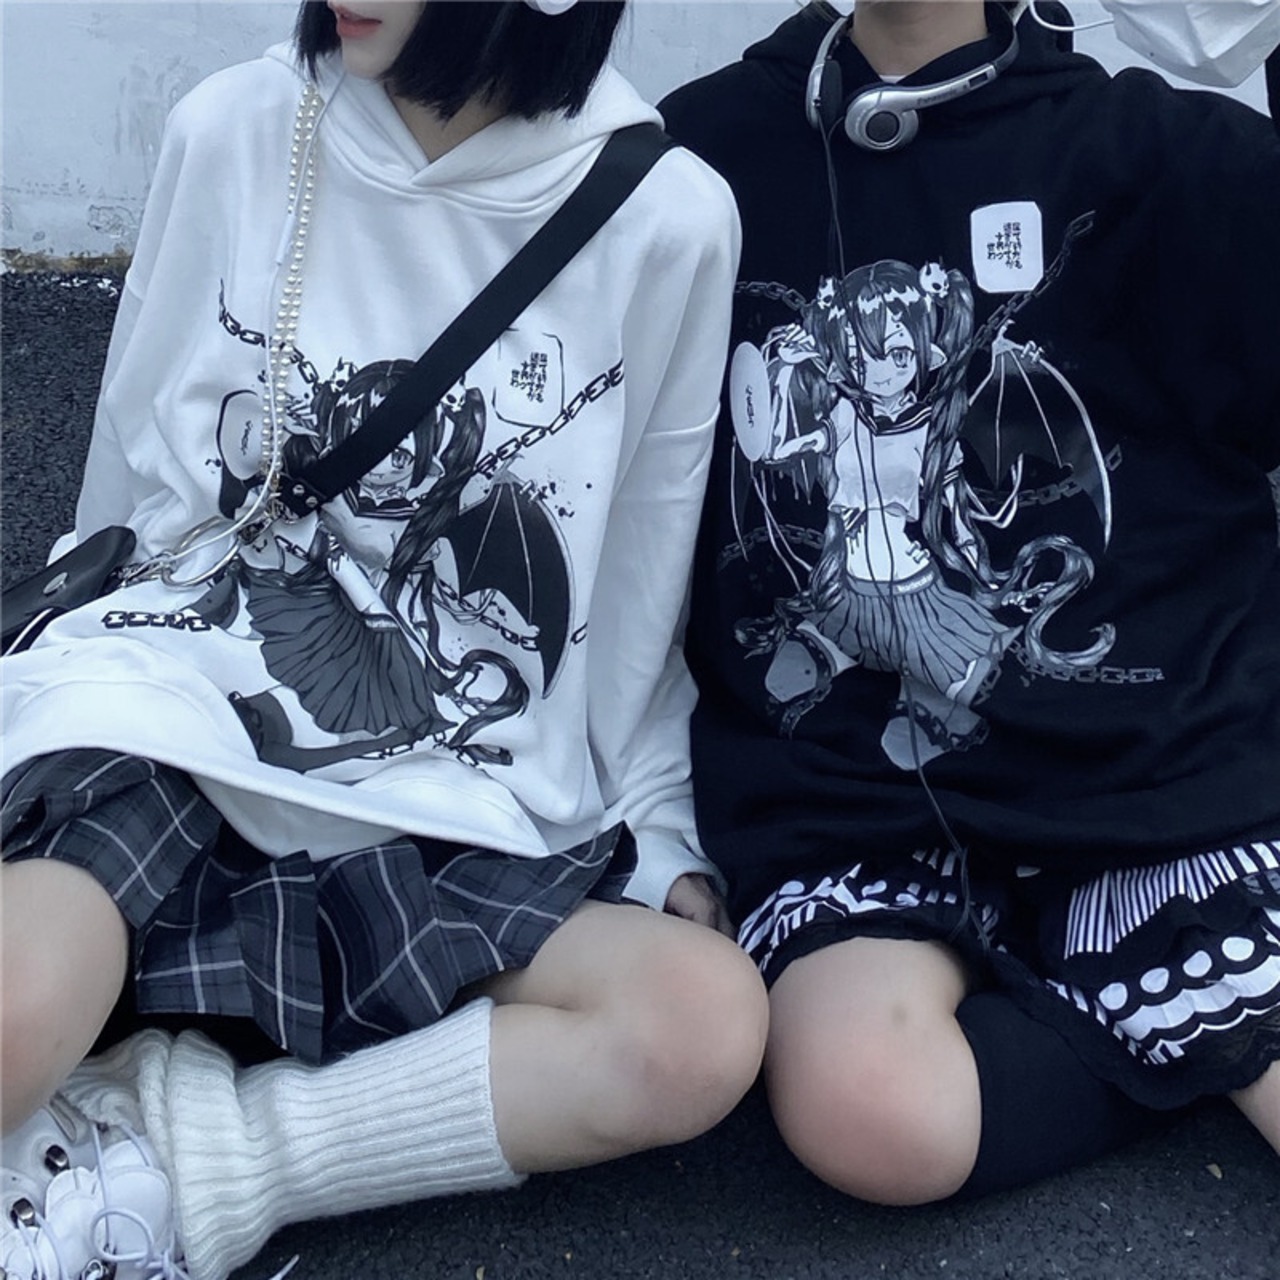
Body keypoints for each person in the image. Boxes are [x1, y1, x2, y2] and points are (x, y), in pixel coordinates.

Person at [0, 3, 768, 1276]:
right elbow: (130, 496)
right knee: (17, 1010)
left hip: (445, 787)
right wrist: (49, 703)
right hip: (177, 722)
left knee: (695, 1026)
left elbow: (639, 579)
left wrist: (660, 827)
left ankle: (191, 1160)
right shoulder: (237, 128)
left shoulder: (665, 216)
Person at [659, 0, 1280, 1205]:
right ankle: (1166, 1017)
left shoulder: (1159, 152)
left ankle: (1154, 995)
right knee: (871, 1113)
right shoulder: (700, 158)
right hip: (843, 806)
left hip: (1156, 790)